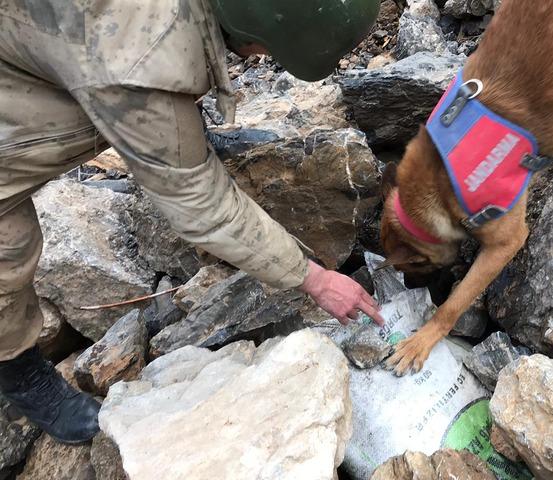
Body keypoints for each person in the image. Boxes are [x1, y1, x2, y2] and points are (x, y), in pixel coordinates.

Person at [0, 0, 382, 444]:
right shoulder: (139, 60)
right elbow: (200, 202)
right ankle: (16, 369)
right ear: (259, 36)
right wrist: (313, 278)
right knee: (9, 244)